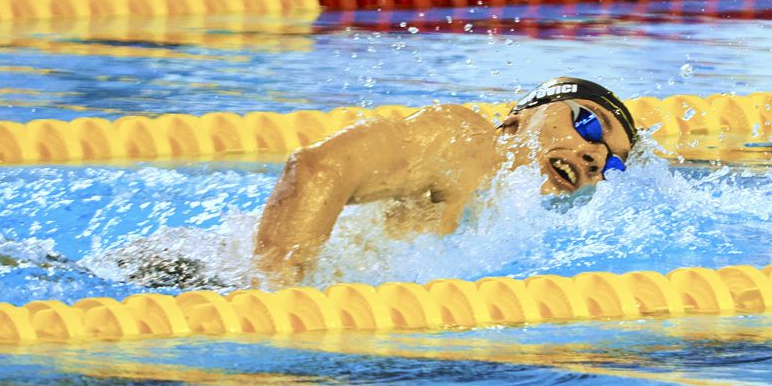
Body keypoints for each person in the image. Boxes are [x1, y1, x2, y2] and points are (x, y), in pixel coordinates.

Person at [253, 77, 639, 288]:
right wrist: (274, 290)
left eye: (613, 163)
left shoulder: (508, 219)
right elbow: (316, 167)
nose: (596, 158)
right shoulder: (469, 143)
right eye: (587, 124)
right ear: (519, 118)